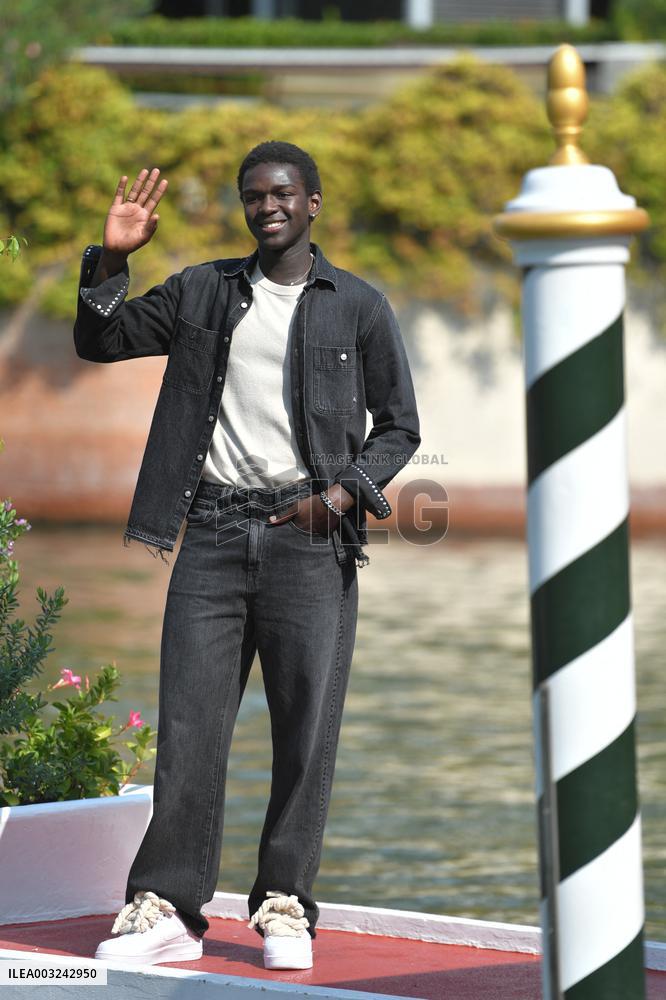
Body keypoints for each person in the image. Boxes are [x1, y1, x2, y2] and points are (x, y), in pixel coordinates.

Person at [73, 141, 420, 971]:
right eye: (251, 196)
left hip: (310, 538)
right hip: (215, 534)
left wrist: (339, 498)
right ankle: (166, 907)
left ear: (312, 204)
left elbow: (401, 427)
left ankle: (285, 906)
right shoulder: (202, 290)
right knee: (191, 726)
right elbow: (102, 340)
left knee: (306, 731)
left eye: (281, 193)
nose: (266, 206)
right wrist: (111, 258)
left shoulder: (359, 308)